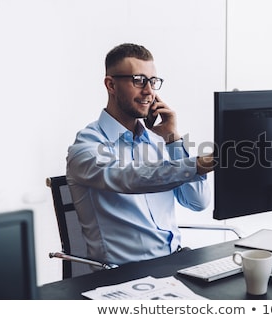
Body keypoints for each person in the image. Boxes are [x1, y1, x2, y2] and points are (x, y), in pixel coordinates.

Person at [66, 43, 214, 267]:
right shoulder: (86, 147)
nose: (149, 91)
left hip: (175, 263)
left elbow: (197, 201)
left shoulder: (157, 141)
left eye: (153, 81)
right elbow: (131, 177)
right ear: (111, 85)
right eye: (138, 80)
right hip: (125, 276)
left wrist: (173, 138)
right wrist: (200, 164)